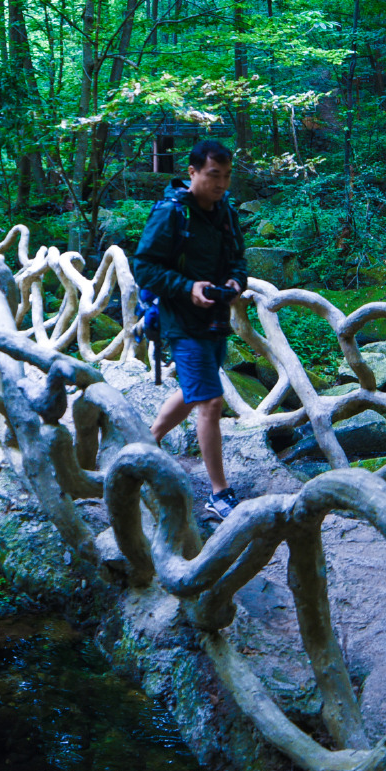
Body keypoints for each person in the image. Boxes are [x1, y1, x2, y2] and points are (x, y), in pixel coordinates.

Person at [133, 139, 248, 523]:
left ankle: (145, 445)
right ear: (193, 172)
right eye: (215, 176)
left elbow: (237, 261)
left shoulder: (226, 212)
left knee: (194, 389)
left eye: (227, 176)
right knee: (211, 402)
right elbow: (144, 267)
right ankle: (219, 494)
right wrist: (188, 288)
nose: (221, 184)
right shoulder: (171, 213)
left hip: (215, 318)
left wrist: (234, 283)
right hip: (182, 319)